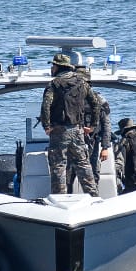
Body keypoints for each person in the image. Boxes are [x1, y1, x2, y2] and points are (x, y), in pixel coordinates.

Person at [40, 53, 100, 197]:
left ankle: (59, 197)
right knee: (83, 163)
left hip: (59, 131)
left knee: (59, 165)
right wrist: (92, 126)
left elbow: (45, 106)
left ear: (58, 67)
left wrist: (46, 126)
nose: (51, 68)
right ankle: (93, 196)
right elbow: (95, 104)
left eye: (53, 65)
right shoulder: (82, 83)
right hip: (78, 130)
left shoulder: (54, 84)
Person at [67, 66, 111, 192]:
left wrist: (105, 147)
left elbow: (106, 124)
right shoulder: (69, 99)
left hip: (92, 143)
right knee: (68, 175)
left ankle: (92, 199)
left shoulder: (99, 100)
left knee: (93, 174)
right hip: (72, 143)